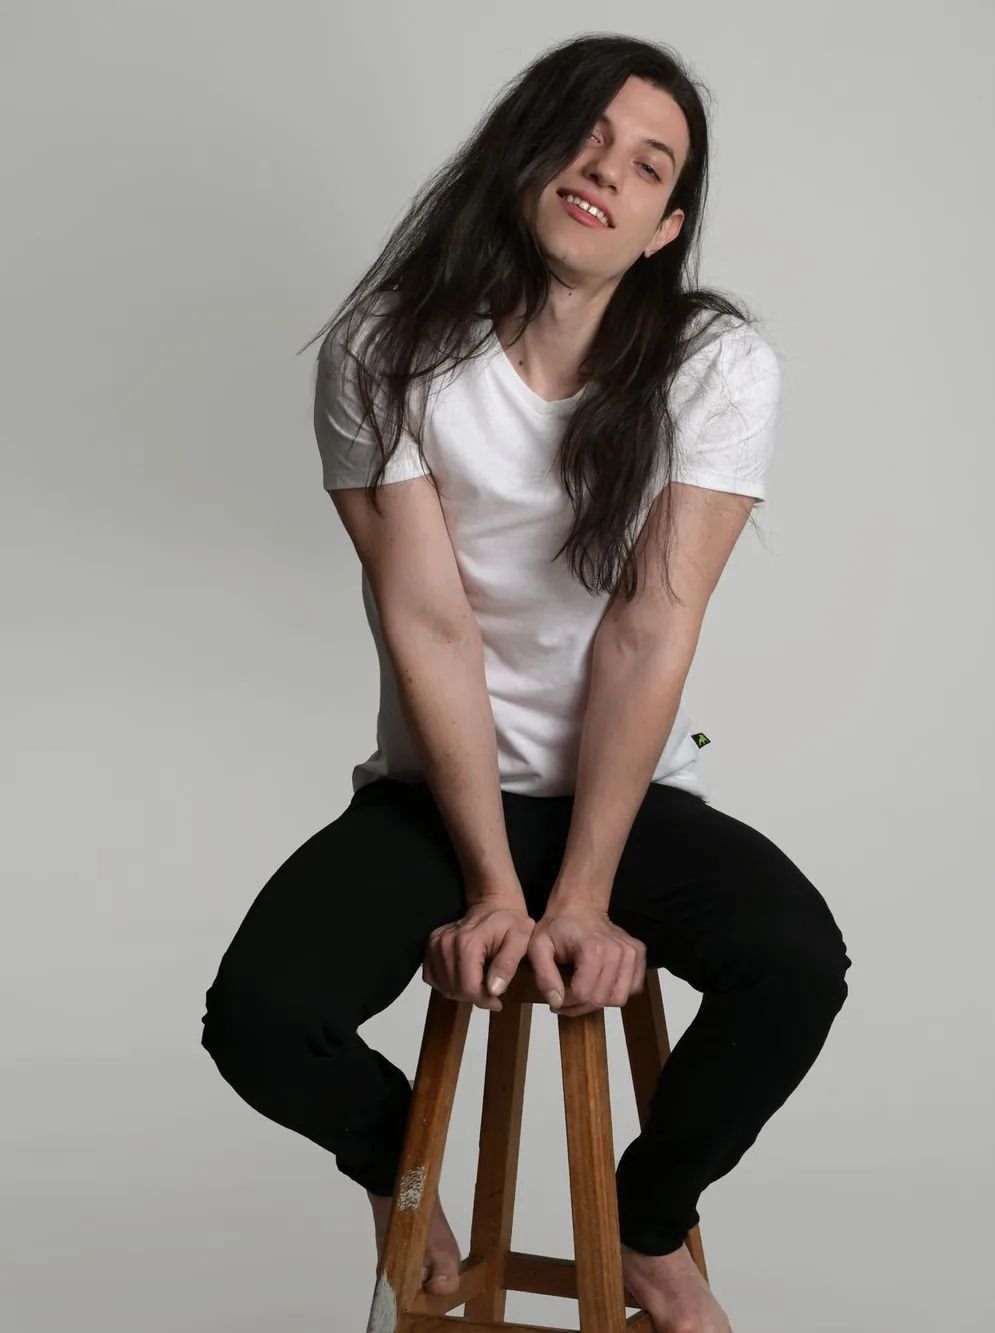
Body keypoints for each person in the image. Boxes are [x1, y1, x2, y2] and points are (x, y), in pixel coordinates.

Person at [200, 33, 852, 1333]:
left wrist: (586, 892)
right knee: (261, 1017)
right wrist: (495, 888)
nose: (606, 171)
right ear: (525, 152)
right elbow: (430, 626)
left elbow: (649, 630)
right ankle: (400, 1169)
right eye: (586, 137)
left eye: (649, 165)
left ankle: (647, 1225)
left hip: (627, 792)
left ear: (666, 228)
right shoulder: (385, 350)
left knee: (794, 965)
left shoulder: (715, 368)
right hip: (438, 793)